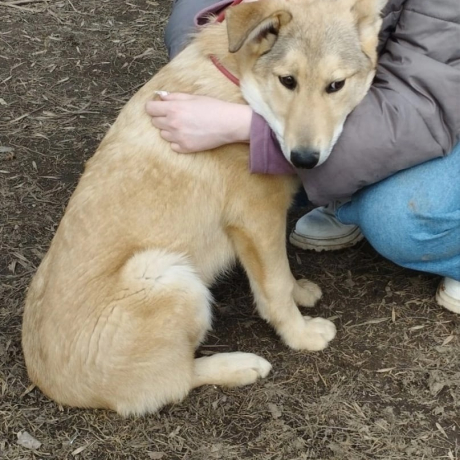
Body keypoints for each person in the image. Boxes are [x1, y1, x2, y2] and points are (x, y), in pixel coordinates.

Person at [145, 0, 460, 313]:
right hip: (377, 87)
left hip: (440, 102)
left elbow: (424, 106)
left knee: (401, 218)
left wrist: (246, 128)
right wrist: (222, 48)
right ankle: (349, 191)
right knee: (254, 172)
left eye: (334, 85)